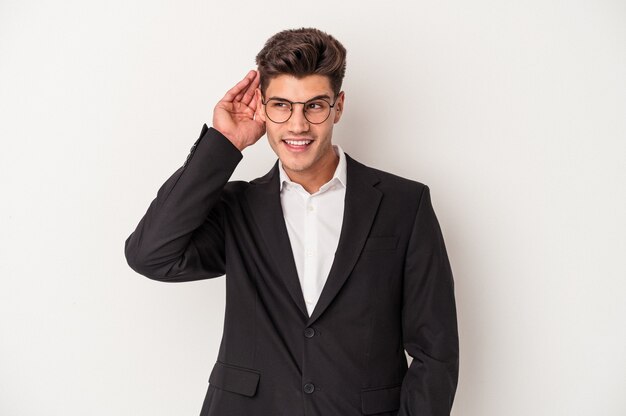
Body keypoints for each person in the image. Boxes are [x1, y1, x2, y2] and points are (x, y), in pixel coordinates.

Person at [125, 27, 459, 416]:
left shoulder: (405, 204)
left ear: (338, 106)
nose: (297, 125)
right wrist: (222, 143)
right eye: (281, 105)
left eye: (314, 106)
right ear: (263, 107)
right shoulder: (238, 208)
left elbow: (435, 352)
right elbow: (150, 255)